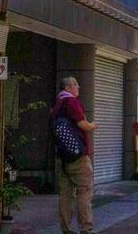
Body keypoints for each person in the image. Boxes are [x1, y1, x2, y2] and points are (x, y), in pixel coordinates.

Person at [51, 76, 98, 234]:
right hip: (78, 157)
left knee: (65, 195)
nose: (79, 87)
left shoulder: (57, 105)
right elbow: (81, 124)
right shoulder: (72, 102)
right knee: (84, 192)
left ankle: (66, 229)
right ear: (68, 87)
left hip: (64, 158)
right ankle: (86, 229)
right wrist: (92, 125)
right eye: (76, 84)